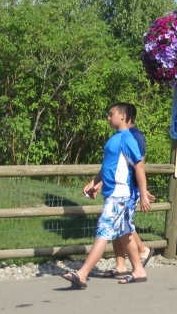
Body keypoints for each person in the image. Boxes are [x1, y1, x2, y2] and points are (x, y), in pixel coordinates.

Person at [63, 103, 151, 288]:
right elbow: (107, 166)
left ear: (122, 115)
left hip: (120, 195)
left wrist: (143, 194)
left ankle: (83, 273)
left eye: (110, 114)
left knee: (103, 231)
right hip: (113, 193)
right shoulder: (116, 138)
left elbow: (139, 166)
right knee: (125, 232)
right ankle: (138, 269)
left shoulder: (127, 138)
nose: (107, 117)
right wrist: (94, 183)